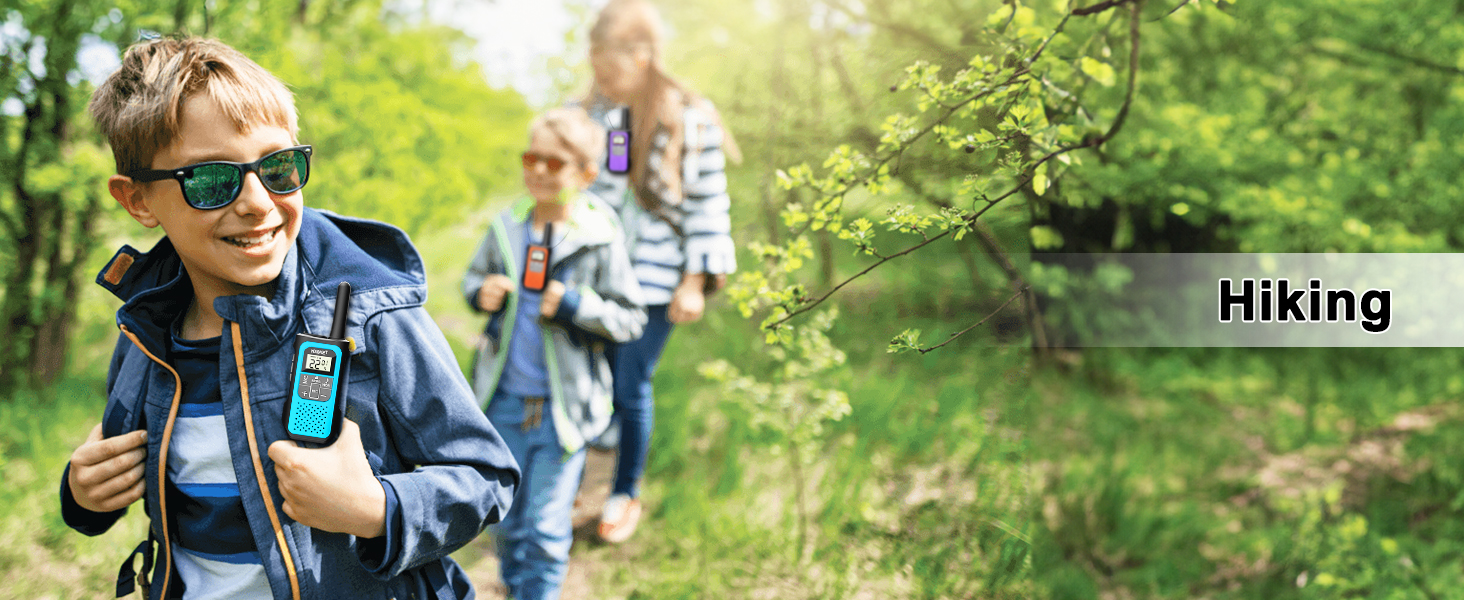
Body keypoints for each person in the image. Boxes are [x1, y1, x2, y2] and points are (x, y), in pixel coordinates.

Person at [59, 36, 519, 600]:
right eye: (210, 180)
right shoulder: (145, 334)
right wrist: (82, 494)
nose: (256, 201)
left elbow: (486, 477)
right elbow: (130, 482)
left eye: (277, 167)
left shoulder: (371, 315)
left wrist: (376, 509)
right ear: (138, 201)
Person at [463, 107, 646, 600]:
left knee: (544, 530)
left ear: (587, 174)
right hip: (500, 403)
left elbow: (631, 317)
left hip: (562, 411)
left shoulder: (600, 236)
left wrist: (574, 304)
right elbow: (472, 279)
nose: (539, 170)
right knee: (505, 521)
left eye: (555, 162)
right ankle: (515, 585)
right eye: (531, 157)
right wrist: (481, 293)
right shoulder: (506, 226)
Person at [581, 0, 743, 543]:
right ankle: (580, 484)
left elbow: (708, 203)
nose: (604, 71)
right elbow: (590, 195)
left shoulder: (690, 115)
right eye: (597, 59)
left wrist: (694, 281)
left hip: (656, 280)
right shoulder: (596, 113)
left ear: (644, 54)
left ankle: (624, 493)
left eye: (614, 60)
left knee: (630, 386)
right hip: (600, 278)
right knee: (591, 381)